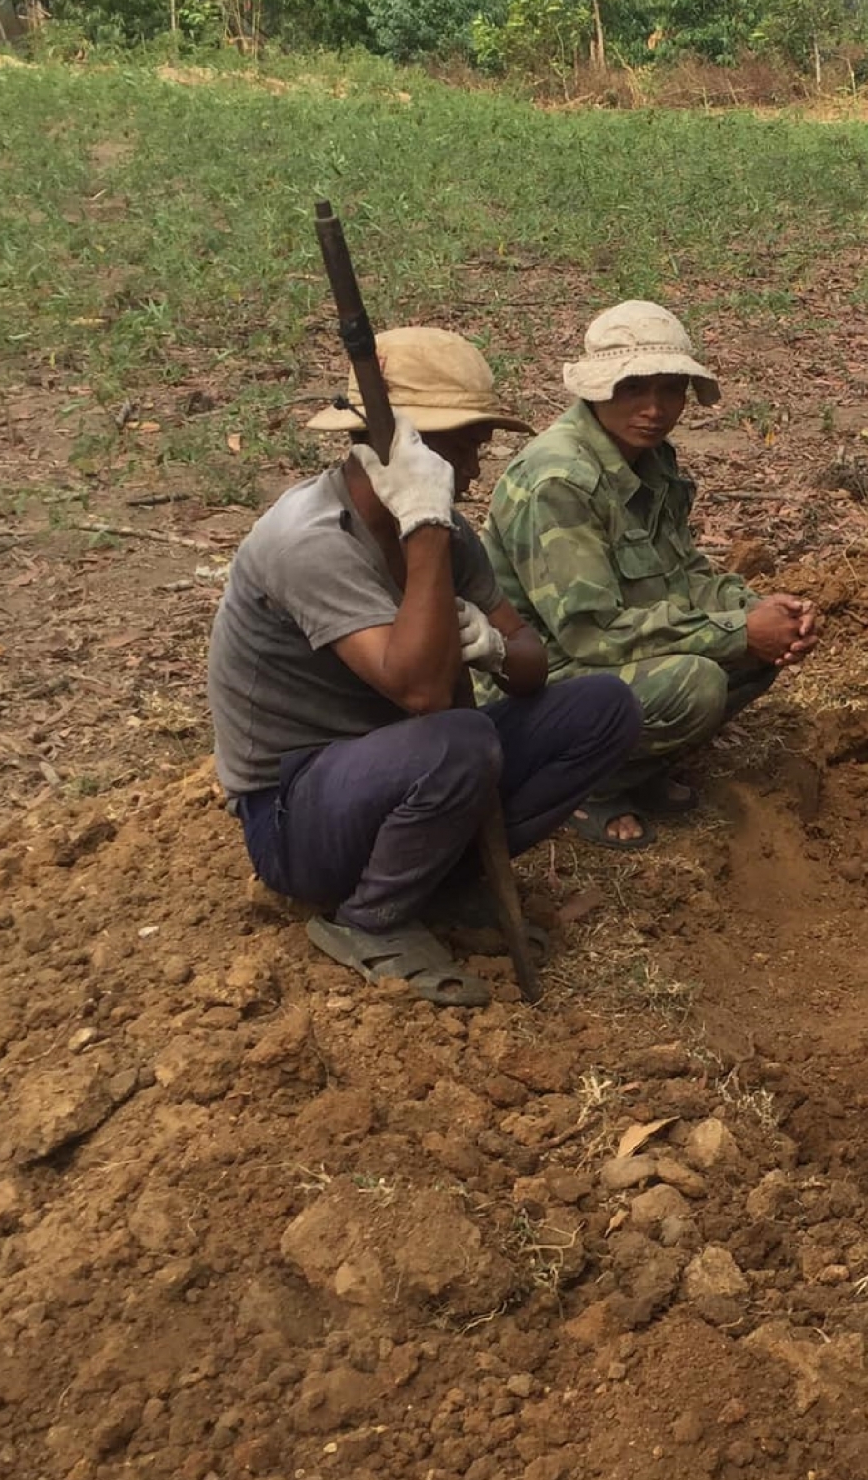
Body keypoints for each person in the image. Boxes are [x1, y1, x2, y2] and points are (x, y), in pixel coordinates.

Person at [208, 327, 643, 1007]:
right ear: (402, 446)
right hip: (296, 812)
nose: (476, 461)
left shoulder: (447, 530)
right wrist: (427, 532)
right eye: (463, 440)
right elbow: (418, 690)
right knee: (458, 743)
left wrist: (492, 646)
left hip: (405, 767)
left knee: (602, 708)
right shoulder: (311, 541)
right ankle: (370, 918)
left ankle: (444, 877)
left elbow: (529, 661)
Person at [482, 301, 819, 849]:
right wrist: (736, 631)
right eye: (633, 388)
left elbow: (683, 572)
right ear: (595, 390)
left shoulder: (650, 459)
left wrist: (755, 608)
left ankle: (634, 769)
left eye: (671, 390)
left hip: (597, 660)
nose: (654, 408)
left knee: (758, 645)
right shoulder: (559, 481)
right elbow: (589, 635)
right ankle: (582, 787)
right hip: (529, 686)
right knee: (698, 682)